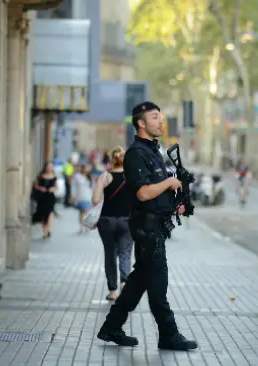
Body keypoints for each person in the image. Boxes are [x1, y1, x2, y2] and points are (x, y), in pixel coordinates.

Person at [96, 101, 198, 351]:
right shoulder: (135, 154)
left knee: (137, 282)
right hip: (146, 229)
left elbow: (156, 192)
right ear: (141, 123)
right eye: (154, 117)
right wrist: (169, 184)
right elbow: (142, 193)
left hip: (156, 227)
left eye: (160, 117)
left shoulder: (153, 152)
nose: (160, 121)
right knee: (157, 284)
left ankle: (111, 327)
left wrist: (175, 204)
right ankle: (168, 335)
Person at [91, 146, 133, 301]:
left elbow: (95, 200)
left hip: (106, 220)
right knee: (125, 252)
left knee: (110, 254)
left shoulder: (104, 177)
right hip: (127, 220)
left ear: (111, 159)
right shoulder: (131, 177)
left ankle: (112, 291)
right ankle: (124, 281)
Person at [31, 161, 58, 239]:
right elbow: (36, 186)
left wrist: (53, 189)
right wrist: (40, 188)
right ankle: (45, 231)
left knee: (50, 212)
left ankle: (48, 230)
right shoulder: (40, 176)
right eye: (48, 166)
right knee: (43, 215)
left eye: (51, 166)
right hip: (42, 197)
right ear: (45, 167)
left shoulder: (54, 176)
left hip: (50, 197)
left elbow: (56, 187)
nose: (50, 168)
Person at [71, 163, 93, 233]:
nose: (87, 170)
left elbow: (92, 188)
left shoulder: (89, 177)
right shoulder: (77, 176)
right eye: (86, 168)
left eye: (88, 169)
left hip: (88, 197)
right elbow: (73, 186)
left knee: (86, 212)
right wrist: (72, 195)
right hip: (80, 196)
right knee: (81, 212)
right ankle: (81, 227)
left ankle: (86, 226)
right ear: (83, 169)